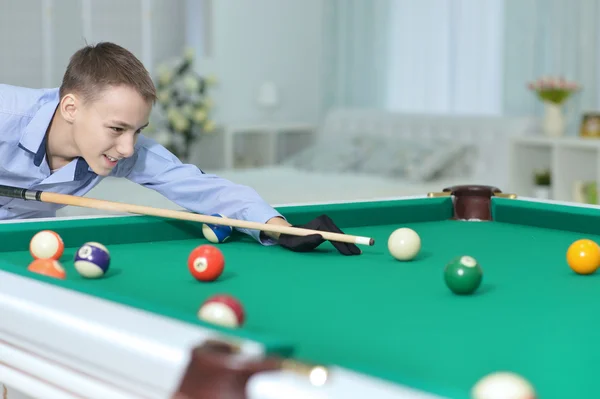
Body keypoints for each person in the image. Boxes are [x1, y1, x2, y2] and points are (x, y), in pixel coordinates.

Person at [0, 42, 360, 256]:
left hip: (25, 242)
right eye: (117, 128)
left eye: (137, 130)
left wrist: (278, 226)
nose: (127, 147)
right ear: (70, 108)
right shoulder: (7, 113)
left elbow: (198, 186)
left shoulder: (123, 150)